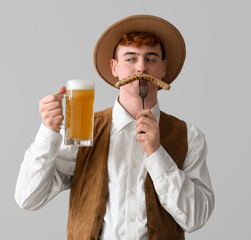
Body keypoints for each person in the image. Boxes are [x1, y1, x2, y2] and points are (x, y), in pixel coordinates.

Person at [15, 14, 215, 240]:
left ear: (163, 69)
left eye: (151, 59)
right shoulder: (81, 130)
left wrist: (157, 153)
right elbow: (28, 199)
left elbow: (196, 218)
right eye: (130, 59)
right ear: (115, 68)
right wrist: (48, 132)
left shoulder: (190, 137)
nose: (141, 67)